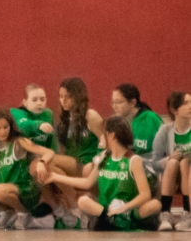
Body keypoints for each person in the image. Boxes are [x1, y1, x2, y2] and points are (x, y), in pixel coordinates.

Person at [45, 116, 161, 231]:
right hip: (106, 211)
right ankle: (113, 220)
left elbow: (145, 194)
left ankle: (122, 221)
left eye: (104, 133)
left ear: (112, 135)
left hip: (128, 210)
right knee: (83, 201)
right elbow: (87, 182)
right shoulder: (105, 157)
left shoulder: (133, 160)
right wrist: (56, 177)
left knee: (155, 204)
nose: (101, 137)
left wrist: (124, 208)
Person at [0, 108, 57, 229]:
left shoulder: (19, 141)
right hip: (6, 191)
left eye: (5, 127)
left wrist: (41, 162)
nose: (3, 132)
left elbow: (49, 152)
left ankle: (24, 214)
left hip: (25, 189)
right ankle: (8, 212)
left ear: (11, 126)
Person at [150, 91, 191, 231]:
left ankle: (187, 213)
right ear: (174, 109)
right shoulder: (165, 131)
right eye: (186, 103)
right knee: (173, 163)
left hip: (189, 174)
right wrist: (169, 158)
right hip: (171, 176)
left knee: (185, 163)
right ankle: (165, 213)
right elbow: (154, 162)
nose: (190, 106)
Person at [111, 83, 164, 160]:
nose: (114, 106)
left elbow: (165, 145)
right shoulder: (115, 123)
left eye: (119, 102)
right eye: (113, 102)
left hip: (151, 161)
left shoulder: (150, 118)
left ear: (132, 102)